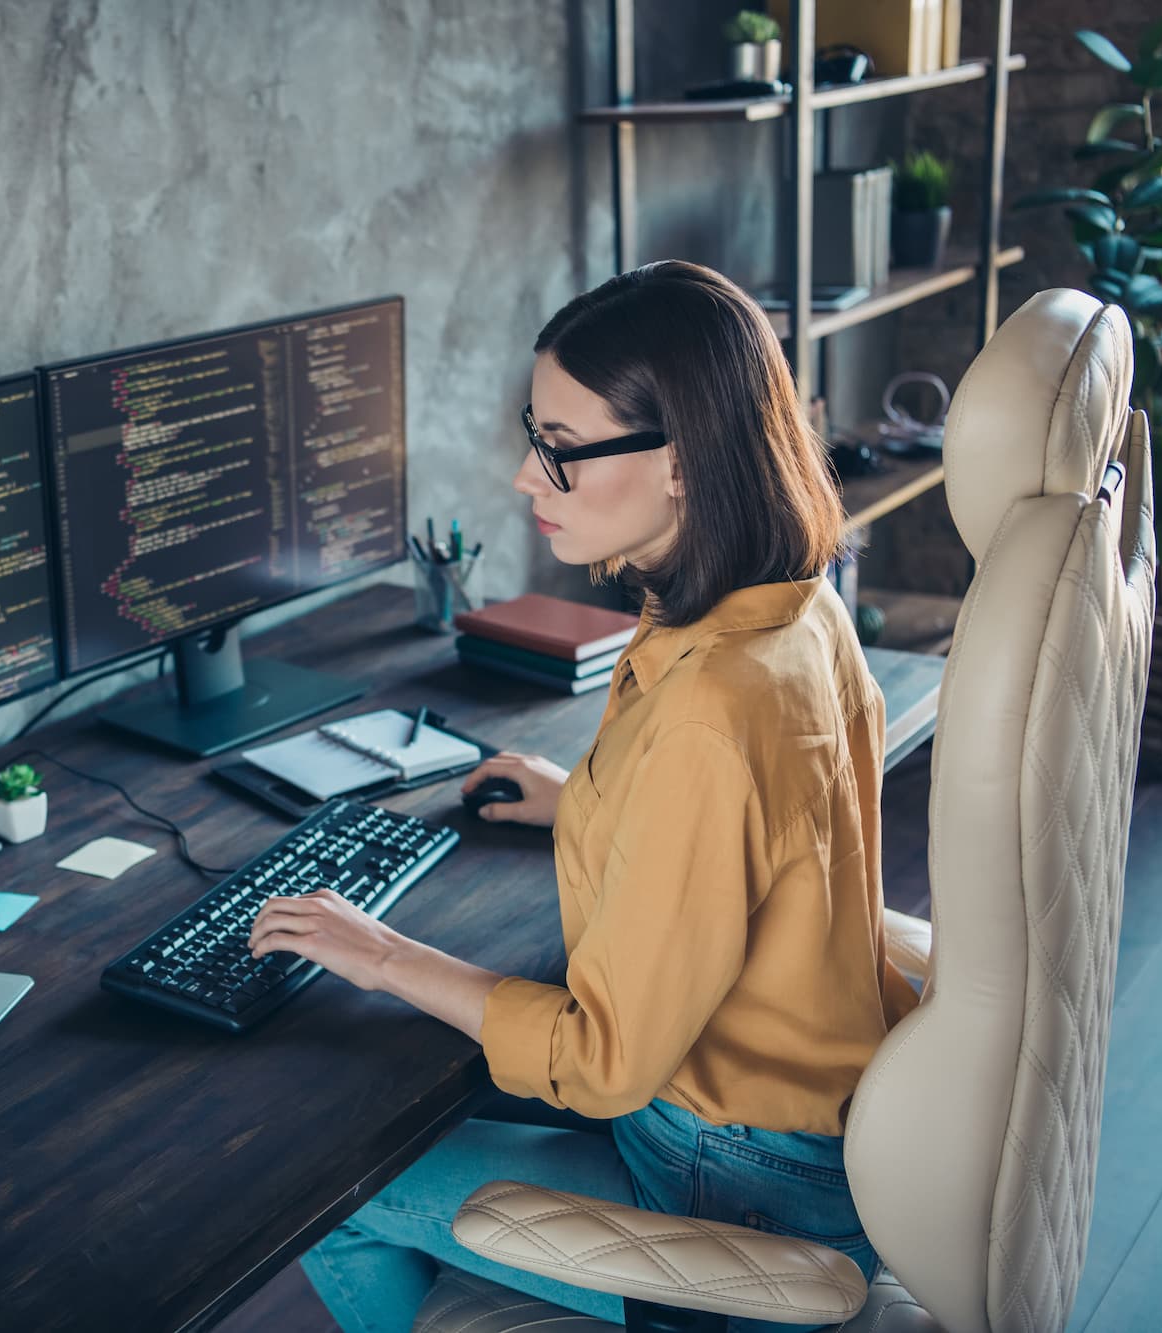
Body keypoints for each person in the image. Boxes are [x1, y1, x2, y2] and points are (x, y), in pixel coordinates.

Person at [248, 261, 921, 1333]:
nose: (525, 476)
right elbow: (756, 832)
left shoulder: (708, 708)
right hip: (808, 1121)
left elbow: (600, 1059)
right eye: (535, 434)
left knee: (315, 1195)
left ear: (682, 464)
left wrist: (382, 955)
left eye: (559, 449)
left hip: (731, 1178)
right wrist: (588, 803)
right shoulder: (785, 607)